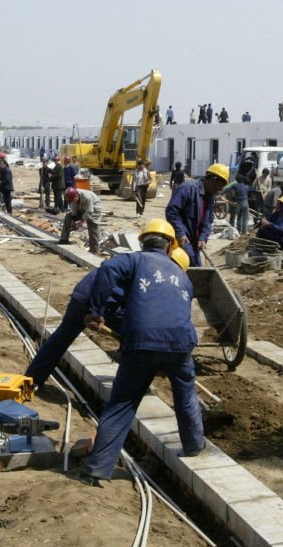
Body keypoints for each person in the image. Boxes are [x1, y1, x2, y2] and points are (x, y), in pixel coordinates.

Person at [80, 220, 204, 486]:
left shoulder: (134, 261)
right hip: (181, 344)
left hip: (141, 343)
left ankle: (98, 469)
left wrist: (96, 310)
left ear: (142, 242)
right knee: (185, 396)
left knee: (122, 404)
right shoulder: (182, 275)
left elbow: (108, 268)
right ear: (171, 247)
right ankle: (194, 446)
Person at [24, 241, 189, 390]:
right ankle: (31, 382)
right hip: (93, 298)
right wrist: (96, 311)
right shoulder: (151, 271)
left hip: (100, 299)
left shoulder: (146, 264)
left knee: (61, 339)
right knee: (135, 332)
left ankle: (32, 380)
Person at [165, 164, 227, 266]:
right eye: (219, 186)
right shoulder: (188, 188)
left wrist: (203, 238)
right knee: (188, 264)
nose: (218, 190)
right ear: (213, 179)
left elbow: (208, 220)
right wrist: (180, 233)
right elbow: (172, 211)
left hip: (195, 240)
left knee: (197, 266)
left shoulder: (210, 196)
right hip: (182, 238)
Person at [57, 187, 102, 254]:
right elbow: (74, 209)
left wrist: (81, 221)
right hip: (83, 208)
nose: (72, 202)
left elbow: (89, 212)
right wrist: (74, 220)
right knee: (68, 217)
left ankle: (94, 250)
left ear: (76, 196)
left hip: (94, 209)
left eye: (73, 200)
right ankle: (64, 239)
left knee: (92, 227)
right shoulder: (73, 197)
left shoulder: (87, 197)